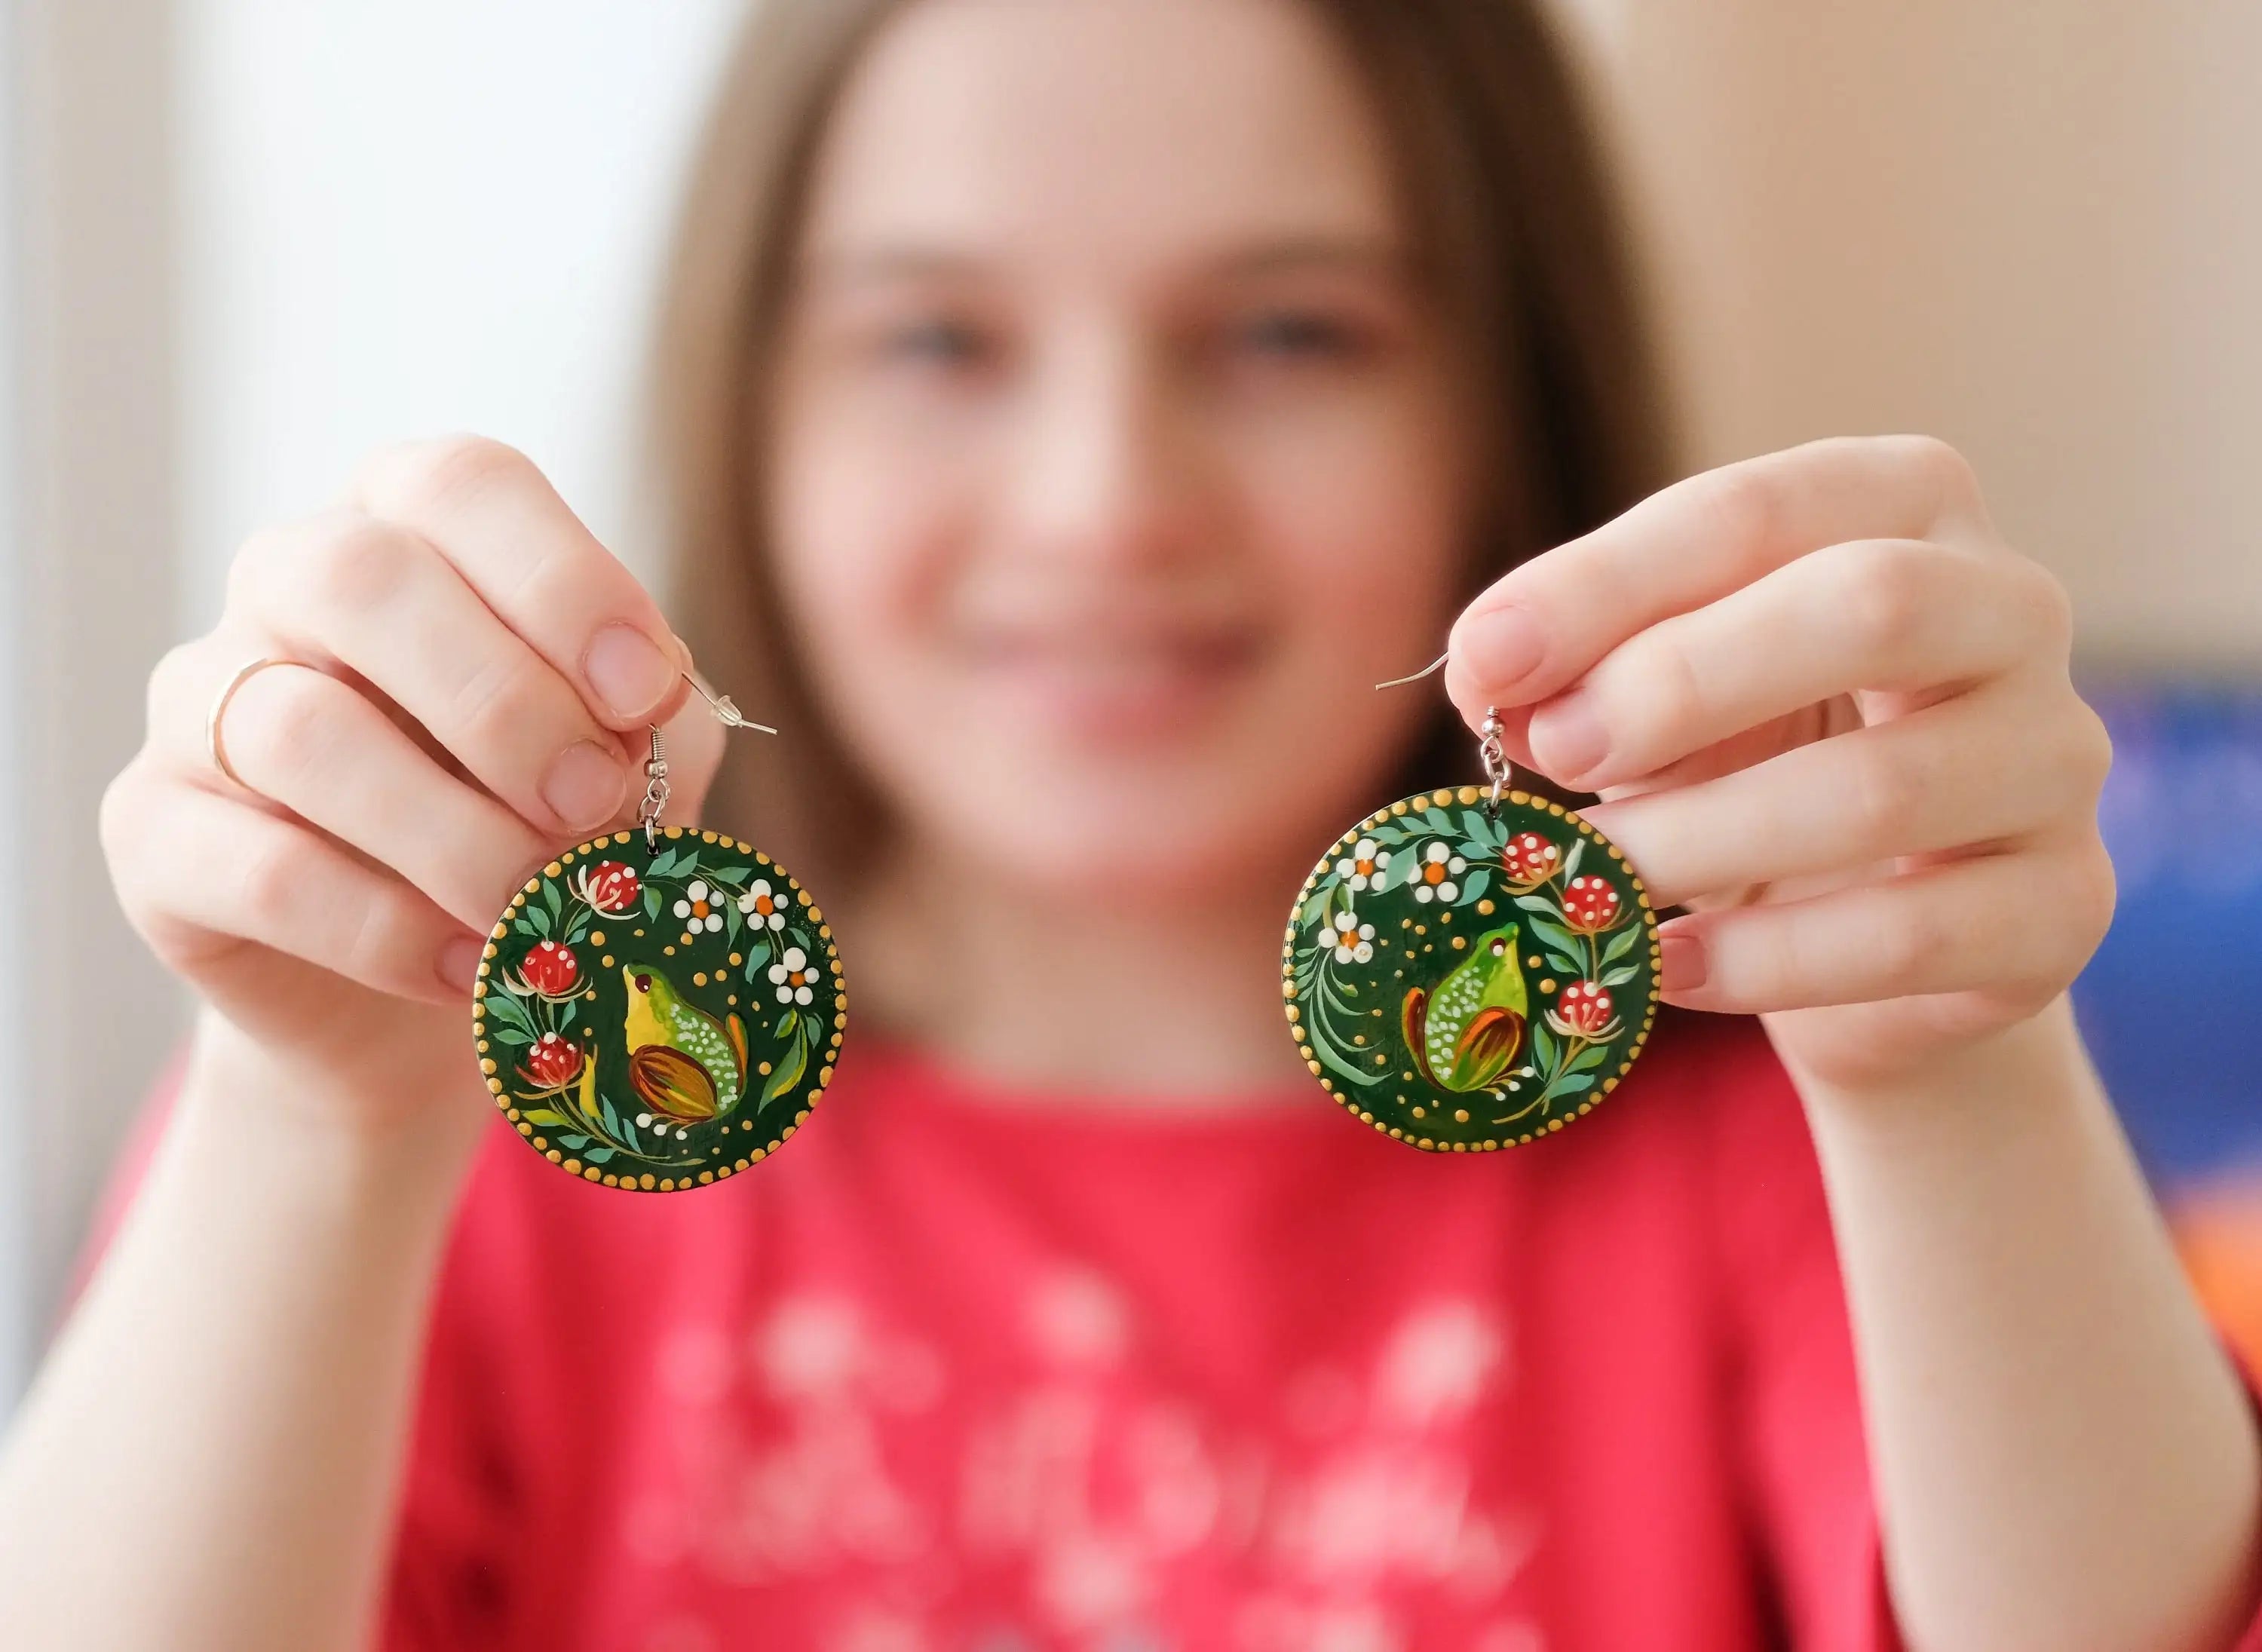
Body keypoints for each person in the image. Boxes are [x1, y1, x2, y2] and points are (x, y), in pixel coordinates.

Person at [4, 0, 2259, 1647]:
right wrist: (306, 1121)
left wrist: (1949, 1067)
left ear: (1511, 405)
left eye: (1288, 335)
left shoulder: (1773, 1142)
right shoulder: (469, 1148)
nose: (1105, 508)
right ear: (749, 403)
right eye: (936, 342)